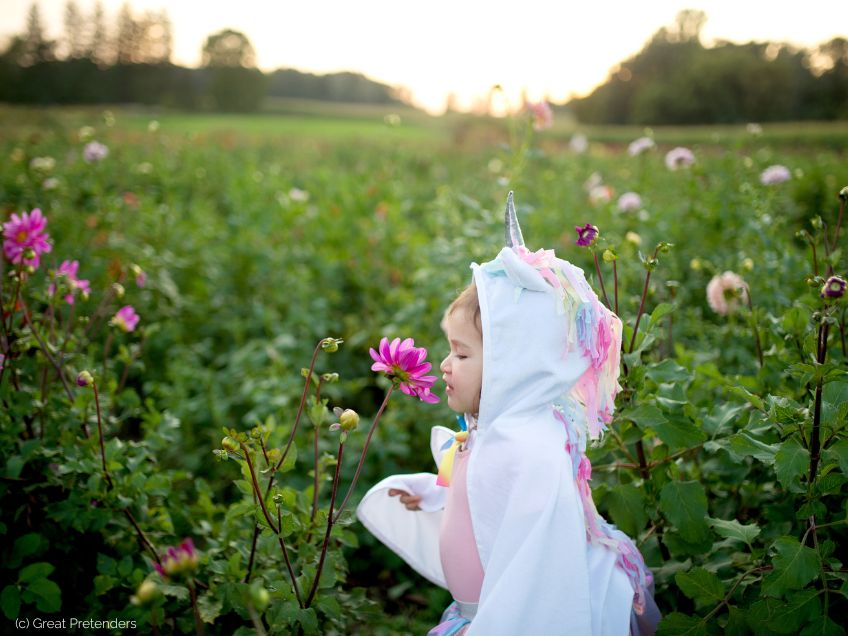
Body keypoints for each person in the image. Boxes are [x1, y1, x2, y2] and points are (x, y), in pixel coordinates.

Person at [357, 193, 660, 635]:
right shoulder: (495, 430)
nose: (444, 364)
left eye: (461, 354)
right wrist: (432, 493)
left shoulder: (529, 449)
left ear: (512, 368)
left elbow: (538, 569)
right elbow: (488, 502)